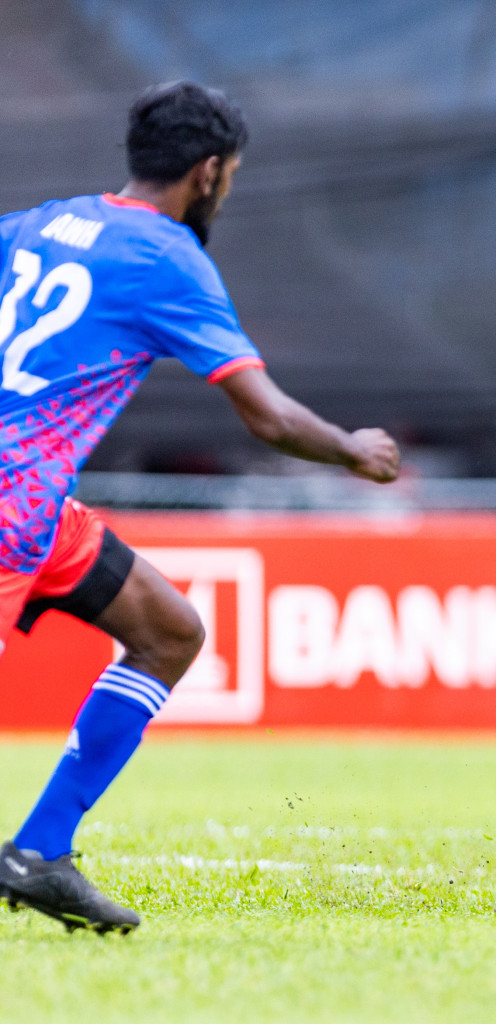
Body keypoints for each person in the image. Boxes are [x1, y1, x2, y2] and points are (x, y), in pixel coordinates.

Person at [0, 81, 400, 934]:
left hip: (37, 507)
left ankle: (40, 852)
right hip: (11, 505)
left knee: (170, 631)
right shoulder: (167, 256)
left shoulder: (43, 223)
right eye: (232, 175)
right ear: (210, 171)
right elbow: (270, 417)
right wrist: (354, 449)